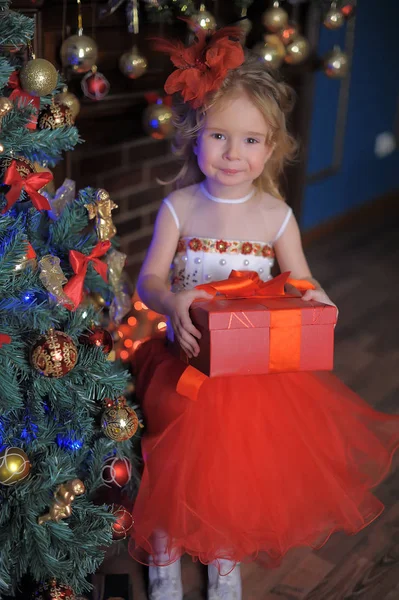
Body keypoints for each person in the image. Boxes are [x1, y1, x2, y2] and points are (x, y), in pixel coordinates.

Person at [128, 26, 399, 600]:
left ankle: (224, 550)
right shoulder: (179, 207)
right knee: (170, 457)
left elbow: (299, 277)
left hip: (251, 374)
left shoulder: (276, 215)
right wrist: (172, 300)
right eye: (220, 136)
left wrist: (316, 296)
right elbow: (149, 278)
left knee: (232, 469)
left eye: (251, 140)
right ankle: (163, 549)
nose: (233, 153)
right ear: (195, 138)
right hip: (184, 362)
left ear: (271, 148)